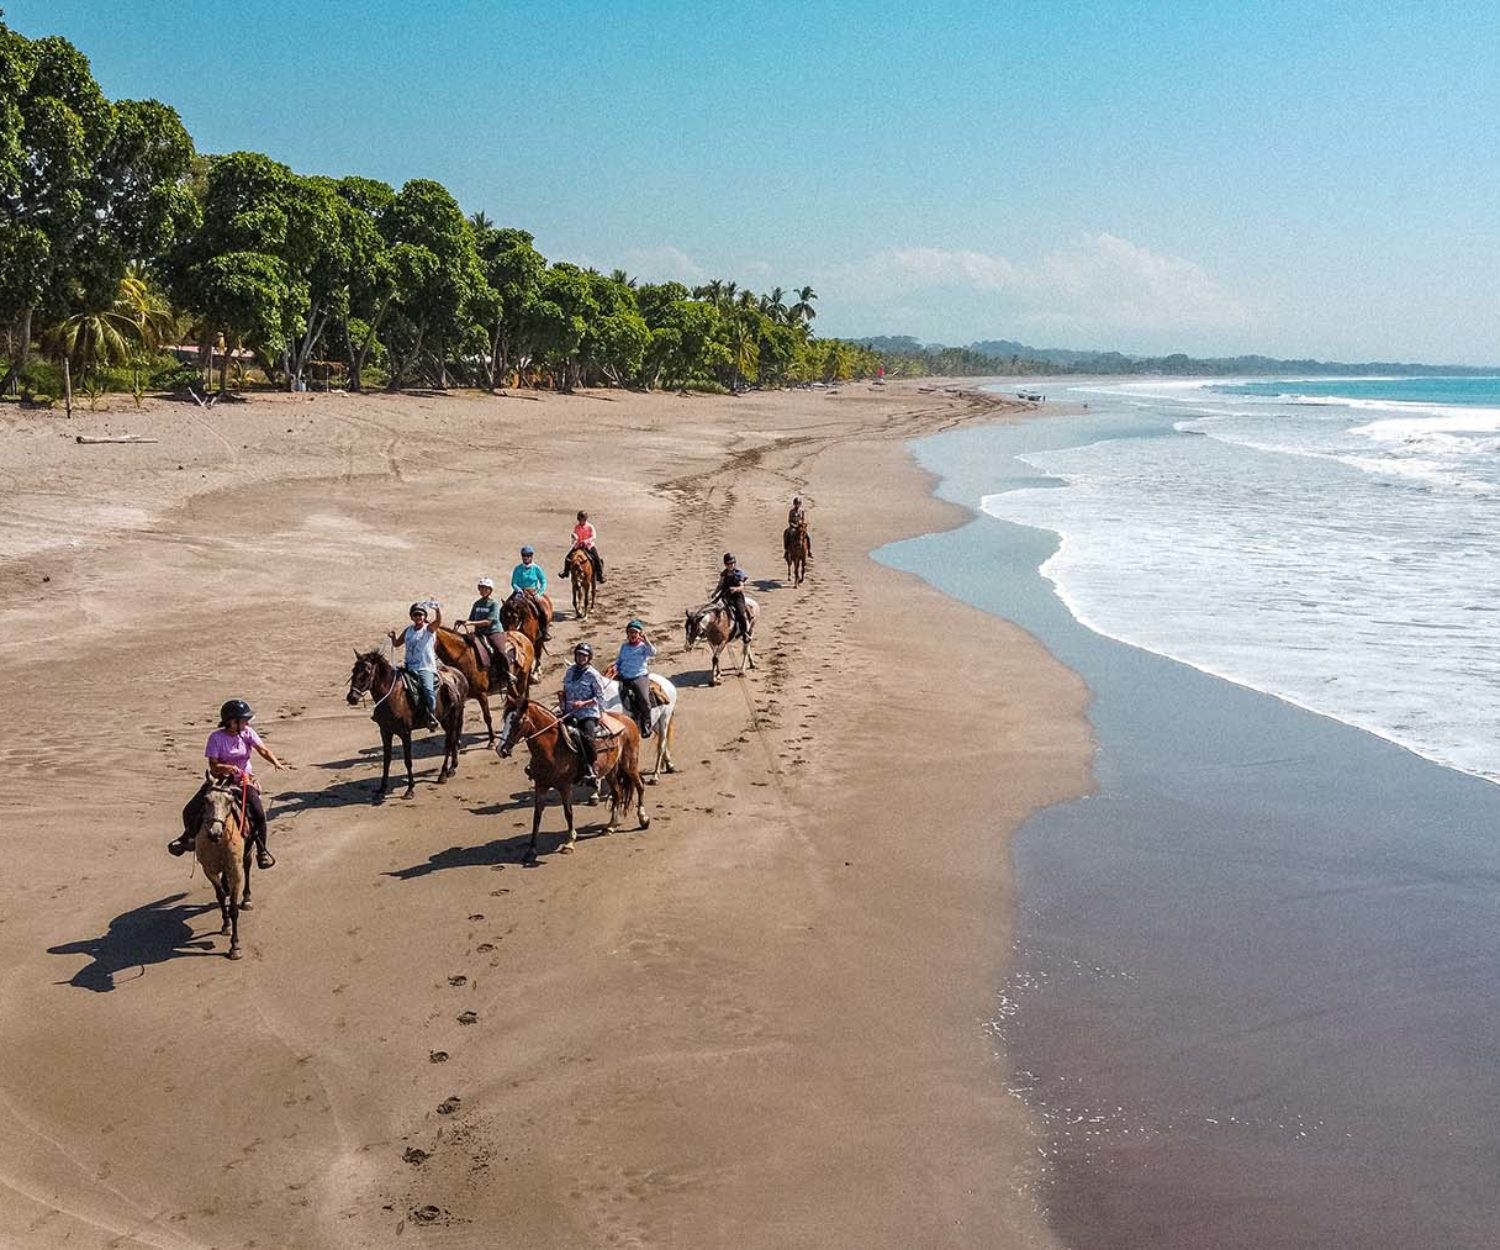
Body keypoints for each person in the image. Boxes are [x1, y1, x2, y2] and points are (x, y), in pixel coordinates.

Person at [169, 699, 287, 869]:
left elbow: (262, 750)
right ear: (231, 721)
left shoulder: (247, 733)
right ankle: (189, 838)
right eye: (243, 720)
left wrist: (275, 762)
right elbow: (213, 765)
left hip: (243, 781)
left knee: (259, 814)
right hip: (219, 780)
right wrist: (228, 768)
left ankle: (262, 851)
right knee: (190, 810)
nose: (246, 723)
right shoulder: (216, 738)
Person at [388, 602, 441, 730]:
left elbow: (438, 621)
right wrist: (393, 637)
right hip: (409, 667)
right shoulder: (408, 630)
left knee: (428, 690)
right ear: (411, 617)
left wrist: (438, 610)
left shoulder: (428, 629)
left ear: (424, 616)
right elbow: (397, 644)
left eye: (420, 615)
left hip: (425, 667)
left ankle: (432, 716)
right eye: (415, 615)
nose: (418, 617)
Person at [560, 642, 608, 780]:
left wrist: (583, 703)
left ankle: (592, 766)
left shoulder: (593, 674)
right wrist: (562, 698)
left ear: (589, 658)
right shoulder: (570, 671)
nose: (581, 658)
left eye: (584, 656)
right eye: (579, 655)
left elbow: (600, 697)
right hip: (568, 711)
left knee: (587, 737)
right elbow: (566, 689)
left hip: (588, 713)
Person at [609, 619, 656, 738]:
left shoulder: (643, 647)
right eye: (630, 632)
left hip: (639, 676)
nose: (632, 635)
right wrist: (615, 666)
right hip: (624, 676)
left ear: (639, 634)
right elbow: (620, 660)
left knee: (644, 699)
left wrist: (647, 641)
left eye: (635, 632)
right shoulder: (624, 646)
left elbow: (653, 652)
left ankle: (646, 723)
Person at [456, 577, 501, 665]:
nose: (483, 590)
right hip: (479, 633)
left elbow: (488, 622)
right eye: (481, 588)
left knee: (500, 651)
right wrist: (463, 622)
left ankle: (507, 673)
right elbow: (471, 619)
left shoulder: (494, 604)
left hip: (493, 633)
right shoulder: (477, 604)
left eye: (486, 588)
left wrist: (471, 623)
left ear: (490, 590)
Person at [511, 546, 551, 643]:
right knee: (507, 607)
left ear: (531, 556)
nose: (526, 558)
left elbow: (543, 581)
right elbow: (513, 583)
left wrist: (540, 592)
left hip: (533, 592)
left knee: (542, 609)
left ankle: (544, 630)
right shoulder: (518, 569)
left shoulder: (536, 568)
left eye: (528, 556)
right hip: (520, 592)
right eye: (524, 556)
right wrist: (519, 590)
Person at [712, 552, 752, 641]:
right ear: (725, 564)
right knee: (713, 608)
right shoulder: (724, 574)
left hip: (737, 597)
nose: (730, 565)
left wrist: (736, 589)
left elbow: (742, 586)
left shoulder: (738, 573)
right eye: (728, 564)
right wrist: (715, 593)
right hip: (725, 596)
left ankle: (745, 633)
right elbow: (720, 585)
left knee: (741, 614)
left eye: (732, 563)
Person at [559, 510, 605, 583]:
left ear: (585, 519)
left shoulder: (590, 527)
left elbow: (594, 536)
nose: (581, 521)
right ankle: (566, 572)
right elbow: (575, 535)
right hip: (579, 545)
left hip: (588, 546)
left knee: (597, 559)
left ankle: (600, 576)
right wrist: (574, 537)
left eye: (582, 519)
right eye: (580, 519)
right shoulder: (577, 527)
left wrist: (586, 541)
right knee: (567, 557)